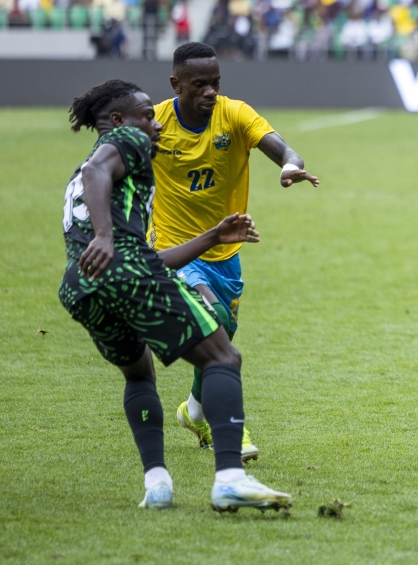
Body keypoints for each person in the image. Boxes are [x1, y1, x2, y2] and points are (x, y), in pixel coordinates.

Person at [59, 79, 292, 512]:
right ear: (118, 121)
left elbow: (145, 256)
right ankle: (229, 478)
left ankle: (158, 484)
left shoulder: (83, 174)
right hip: (122, 270)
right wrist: (107, 237)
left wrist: (212, 237)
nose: (156, 125)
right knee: (223, 356)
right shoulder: (125, 142)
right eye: (147, 116)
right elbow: (113, 219)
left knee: (140, 374)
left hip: (82, 287)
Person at [148, 42, 319, 461]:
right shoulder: (153, 122)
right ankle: (232, 431)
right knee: (216, 323)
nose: (211, 91)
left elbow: (282, 148)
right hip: (175, 251)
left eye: (216, 83)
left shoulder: (235, 114)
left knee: (220, 342)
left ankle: (194, 411)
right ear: (177, 84)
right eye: (200, 84)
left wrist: (288, 166)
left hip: (226, 254)